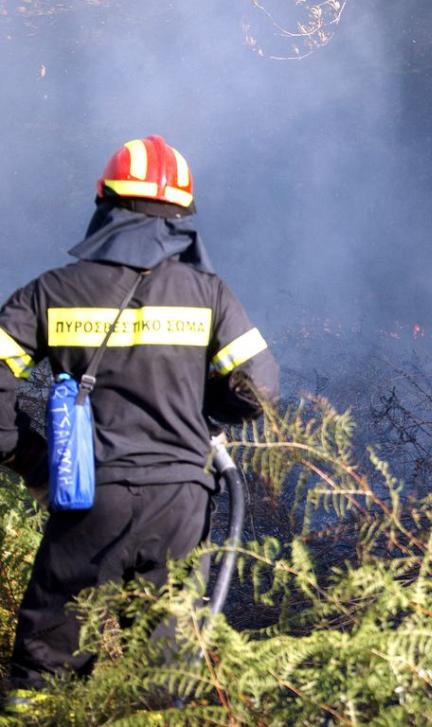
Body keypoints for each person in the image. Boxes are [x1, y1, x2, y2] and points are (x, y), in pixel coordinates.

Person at [0, 135, 279, 705]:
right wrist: (205, 412)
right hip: (181, 504)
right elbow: (259, 389)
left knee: (46, 668)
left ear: (104, 200)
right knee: (164, 678)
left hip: (87, 498)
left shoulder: (51, 291)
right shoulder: (210, 295)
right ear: (182, 214)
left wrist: (33, 460)